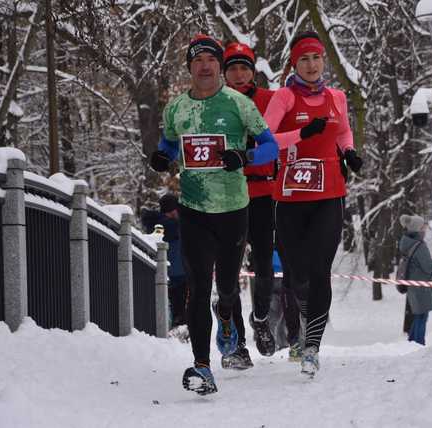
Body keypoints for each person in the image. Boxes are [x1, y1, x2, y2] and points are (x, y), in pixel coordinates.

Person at [149, 34, 278, 395]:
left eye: (210, 60)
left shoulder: (238, 104)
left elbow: (271, 146)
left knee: (225, 290)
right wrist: (162, 156)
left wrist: (245, 157)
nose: (204, 65)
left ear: (219, 67)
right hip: (193, 210)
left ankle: (227, 316)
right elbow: (169, 143)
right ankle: (203, 367)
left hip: (234, 209)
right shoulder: (176, 108)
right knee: (197, 286)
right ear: (190, 67)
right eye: (198, 60)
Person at [263, 31, 363, 378]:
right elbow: (263, 140)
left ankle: (312, 347)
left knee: (320, 271)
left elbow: (342, 132)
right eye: (304, 59)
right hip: (290, 198)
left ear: (323, 61)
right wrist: (300, 135)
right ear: (295, 63)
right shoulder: (284, 98)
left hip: (329, 196)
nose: (311, 65)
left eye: (316, 58)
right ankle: (305, 314)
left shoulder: (337, 97)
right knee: (298, 275)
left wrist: (349, 153)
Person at [215, 42, 276, 368]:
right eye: (233, 68)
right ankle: (236, 344)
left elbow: (279, 142)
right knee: (228, 270)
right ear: (225, 72)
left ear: (253, 72)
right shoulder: (215, 102)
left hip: (264, 194)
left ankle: (261, 318)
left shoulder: (268, 100)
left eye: (244, 68)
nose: (239, 74)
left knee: (265, 266)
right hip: (227, 196)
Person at [398, 214, 432, 346]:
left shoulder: (406, 243)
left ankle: (412, 342)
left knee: (418, 315)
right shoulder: (419, 246)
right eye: (423, 226)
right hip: (422, 287)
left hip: (413, 285)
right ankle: (419, 343)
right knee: (422, 316)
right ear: (418, 229)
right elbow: (428, 266)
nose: (425, 228)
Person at [158, 194, 188, 333]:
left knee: (179, 306)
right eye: (169, 212)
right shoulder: (170, 225)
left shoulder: (179, 223)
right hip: (175, 274)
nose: (172, 214)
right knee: (176, 306)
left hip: (181, 272)